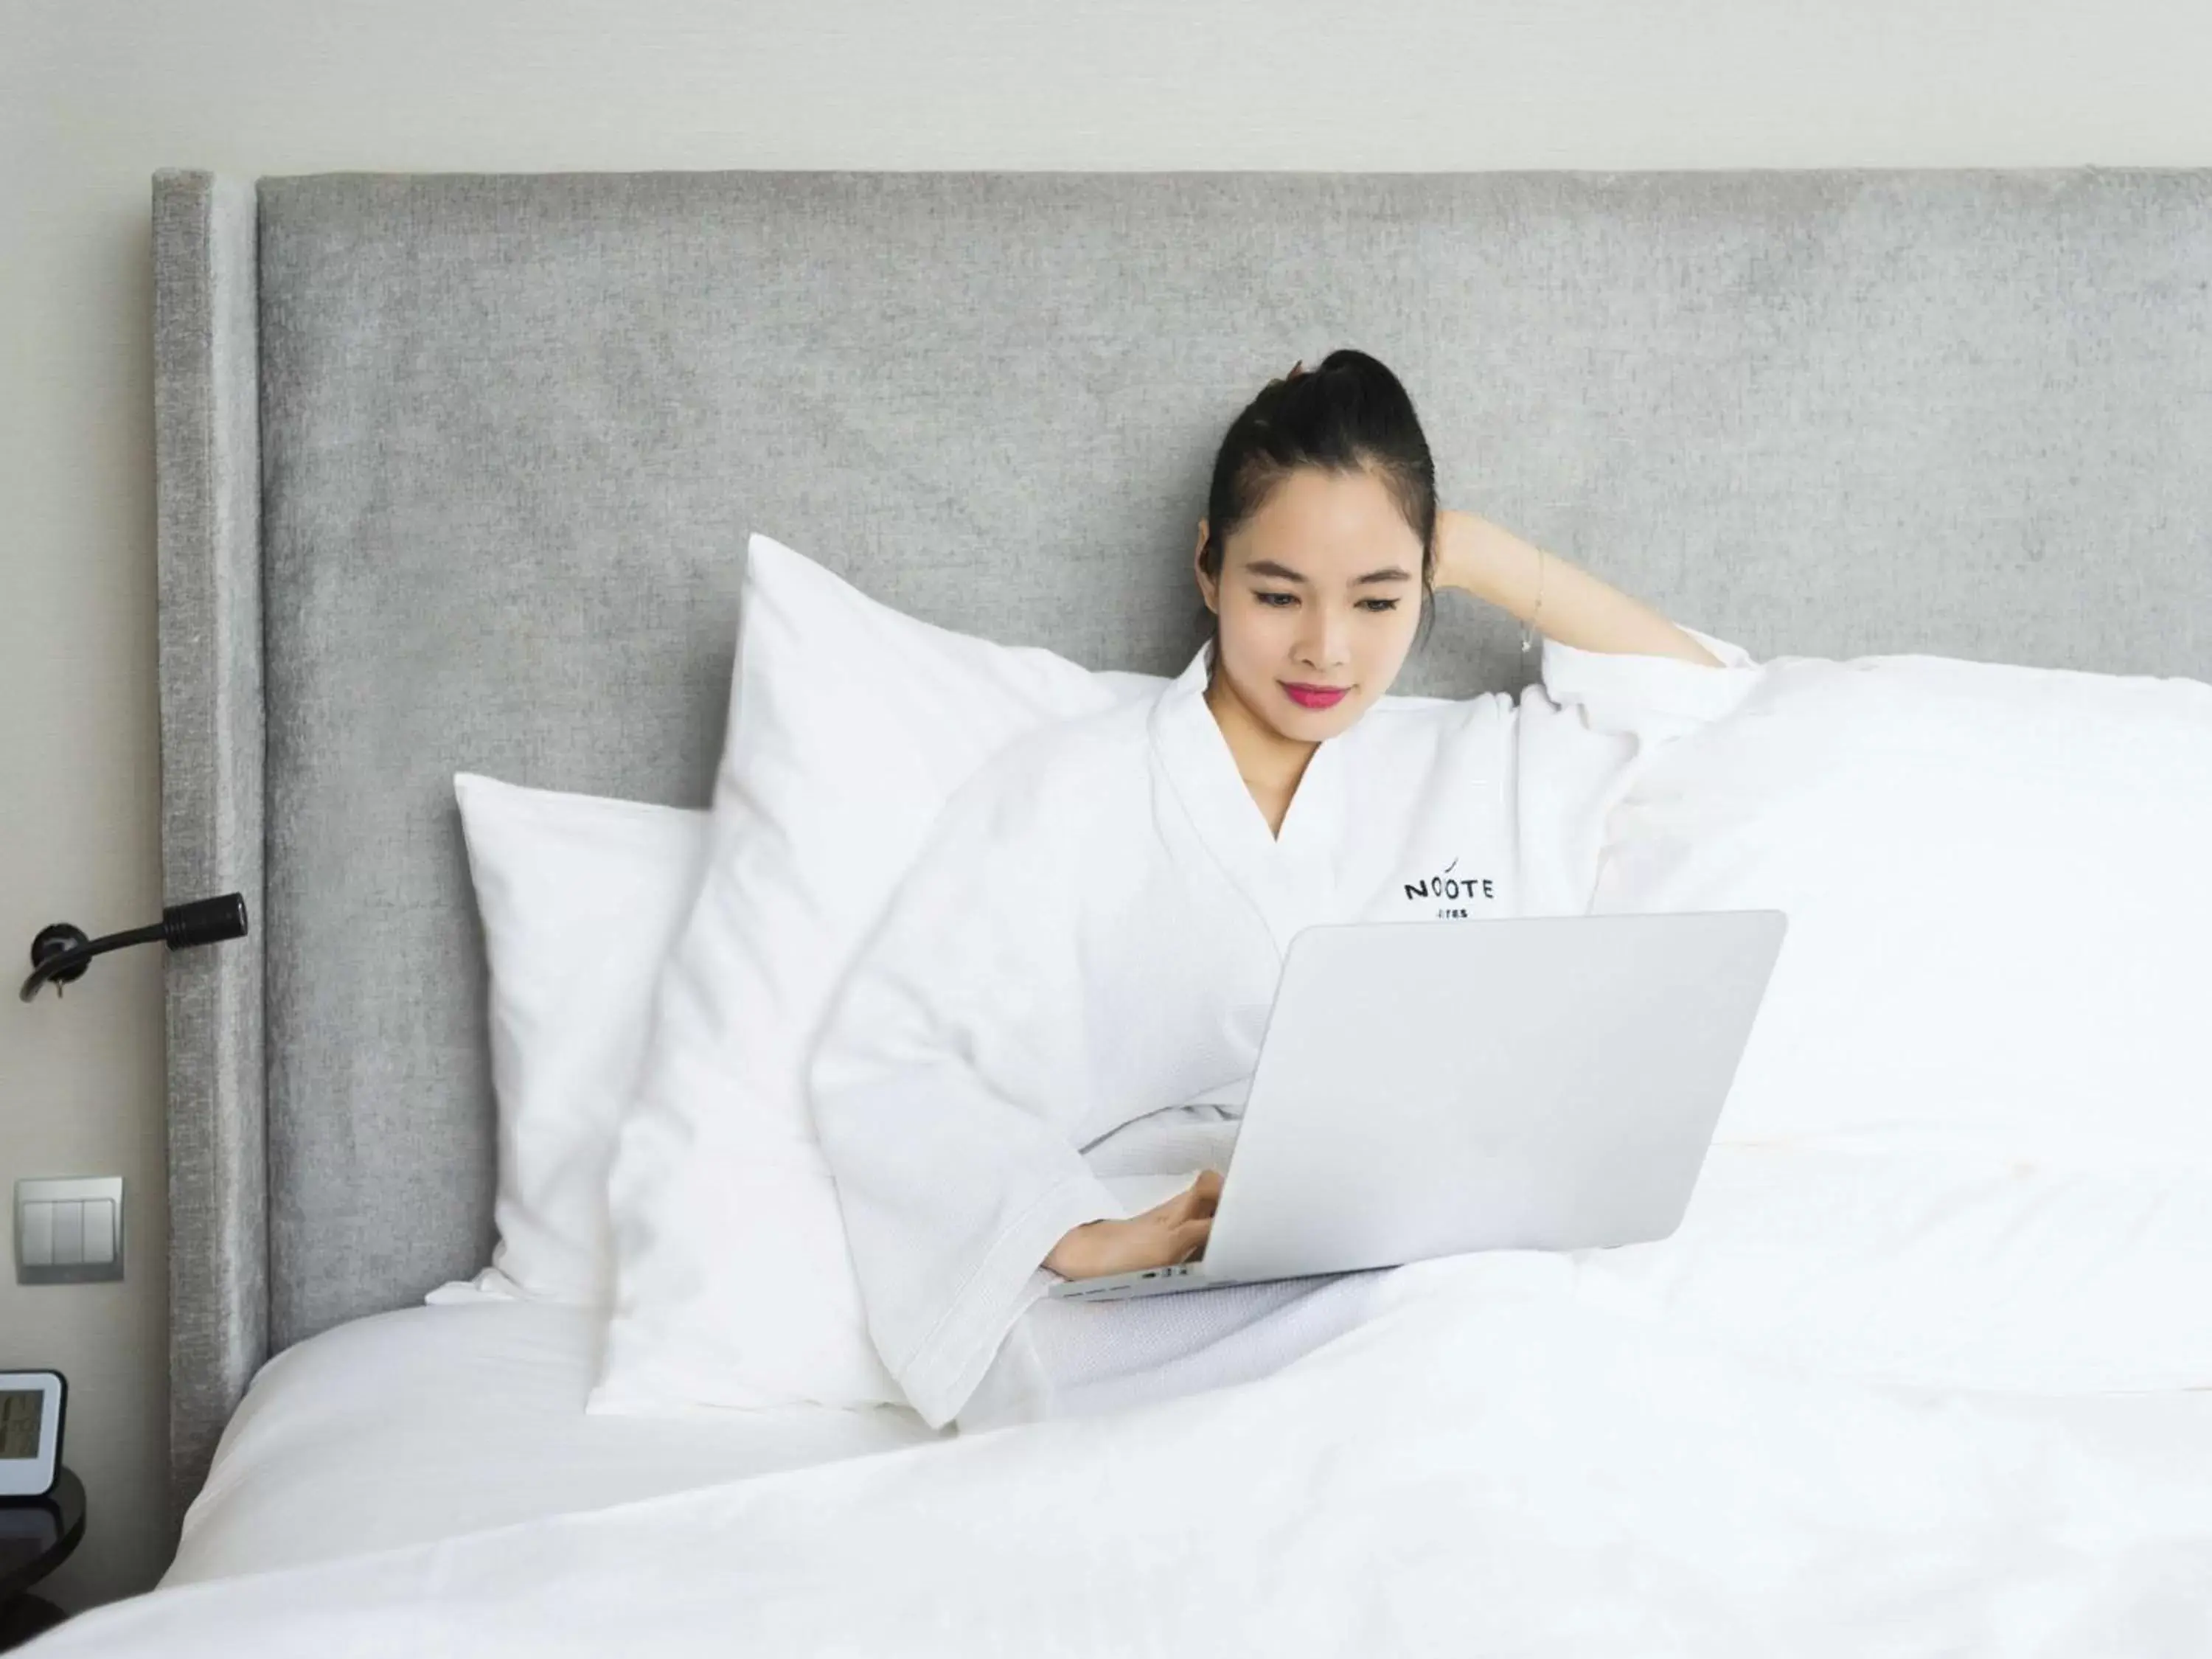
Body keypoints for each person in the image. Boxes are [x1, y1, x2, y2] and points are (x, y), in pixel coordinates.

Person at [807, 349, 1756, 1434]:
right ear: (1207, 565)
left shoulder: (1462, 763)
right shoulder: (1069, 789)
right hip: (1153, 1263)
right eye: (1278, 592)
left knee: (1499, 1357)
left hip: (1416, 1260)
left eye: (1379, 598)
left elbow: (1702, 706)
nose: (1327, 648)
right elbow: (896, 1055)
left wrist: (1466, 545)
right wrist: (1065, 1231)